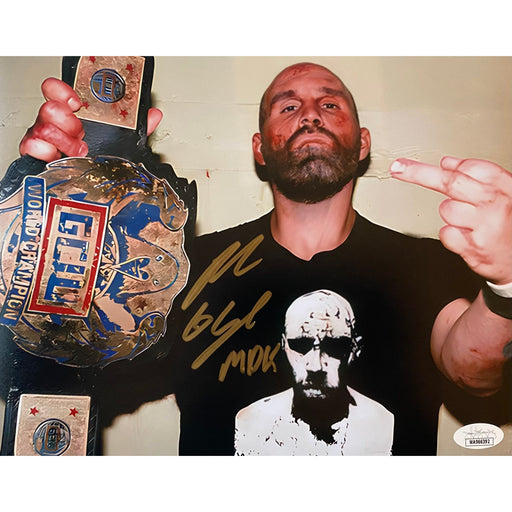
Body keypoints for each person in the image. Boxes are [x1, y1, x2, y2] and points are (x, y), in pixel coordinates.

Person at [13, 61, 512, 455]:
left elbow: (473, 372)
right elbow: (78, 360)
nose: (310, 114)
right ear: (259, 148)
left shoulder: (425, 264)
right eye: (288, 106)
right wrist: (58, 230)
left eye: (330, 104)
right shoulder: (182, 268)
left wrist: (507, 282)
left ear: (362, 145)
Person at [234, 289, 394, 455]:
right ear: (284, 345)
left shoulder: (380, 421)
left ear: (355, 349)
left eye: (334, 346)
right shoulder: (252, 421)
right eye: (301, 345)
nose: (315, 367)